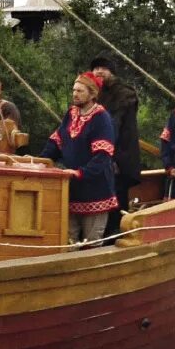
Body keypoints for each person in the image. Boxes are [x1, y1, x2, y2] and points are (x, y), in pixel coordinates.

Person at [47, 73, 119, 246]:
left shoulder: (101, 118)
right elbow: (57, 142)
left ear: (92, 94)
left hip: (95, 191)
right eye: (74, 90)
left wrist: (80, 173)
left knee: (91, 244)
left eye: (80, 91)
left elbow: (102, 156)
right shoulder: (71, 114)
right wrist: (39, 160)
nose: (75, 94)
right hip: (71, 191)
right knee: (67, 242)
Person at [89, 55, 140, 229]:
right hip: (99, 154)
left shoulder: (124, 94)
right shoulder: (93, 93)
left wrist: (110, 155)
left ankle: (115, 236)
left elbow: (114, 125)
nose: (99, 71)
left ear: (111, 72)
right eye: (96, 68)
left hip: (120, 155)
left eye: (104, 68)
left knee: (116, 198)